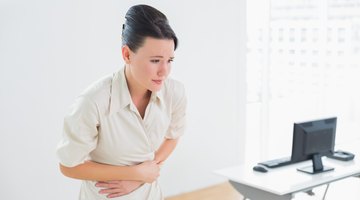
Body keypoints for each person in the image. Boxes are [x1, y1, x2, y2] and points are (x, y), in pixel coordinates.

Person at [56, 4, 186, 200]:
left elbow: (174, 135)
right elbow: (68, 166)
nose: (164, 71)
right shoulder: (93, 102)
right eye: (155, 60)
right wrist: (135, 174)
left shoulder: (174, 92)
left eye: (170, 60)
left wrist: (146, 173)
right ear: (127, 55)